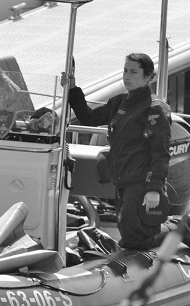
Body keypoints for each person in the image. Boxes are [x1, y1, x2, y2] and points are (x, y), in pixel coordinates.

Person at [68, 52, 170, 251]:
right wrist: (72, 90)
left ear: (149, 76)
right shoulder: (118, 102)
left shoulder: (155, 110)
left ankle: (178, 229)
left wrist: (154, 188)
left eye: (133, 72)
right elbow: (89, 118)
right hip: (121, 178)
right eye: (125, 71)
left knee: (134, 234)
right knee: (125, 228)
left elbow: (161, 152)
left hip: (141, 180)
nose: (127, 76)